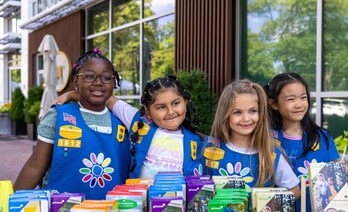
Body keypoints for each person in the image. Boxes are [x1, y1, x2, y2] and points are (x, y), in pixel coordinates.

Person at [13, 48, 130, 200]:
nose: (98, 83)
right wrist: (10, 206)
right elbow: (36, 166)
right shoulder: (58, 116)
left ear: (114, 82)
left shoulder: (122, 121)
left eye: (106, 78)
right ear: (76, 81)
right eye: (89, 77)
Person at [54, 75, 203, 178]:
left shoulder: (195, 142)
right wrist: (71, 95)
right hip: (139, 207)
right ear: (148, 111)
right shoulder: (139, 122)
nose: (171, 112)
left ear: (185, 102)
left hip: (176, 211)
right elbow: (107, 99)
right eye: (161, 107)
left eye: (176, 103)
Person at [202, 80, 300, 198]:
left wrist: (267, 205)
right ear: (225, 115)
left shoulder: (271, 153)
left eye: (253, 111)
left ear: (261, 113)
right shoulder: (210, 150)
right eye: (237, 112)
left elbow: (295, 190)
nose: (246, 118)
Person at [265, 72, 340, 212]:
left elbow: (335, 172)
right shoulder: (267, 139)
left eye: (303, 97)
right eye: (291, 99)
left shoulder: (323, 137)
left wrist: (341, 168)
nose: (299, 104)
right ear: (274, 104)